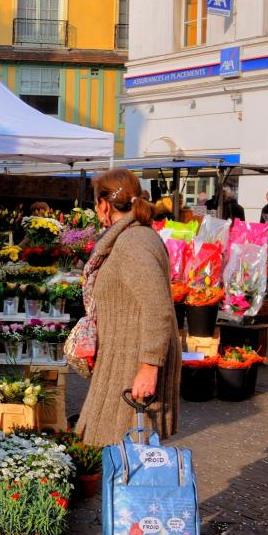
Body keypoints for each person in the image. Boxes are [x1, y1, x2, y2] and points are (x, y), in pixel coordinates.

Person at [73, 168, 180, 448]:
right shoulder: (130, 238)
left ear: (104, 205)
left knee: (127, 452)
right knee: (124, 453)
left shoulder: (133, 243)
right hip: (123, 357)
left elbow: (157, 306)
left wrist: (149, 366)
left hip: (132, 362)